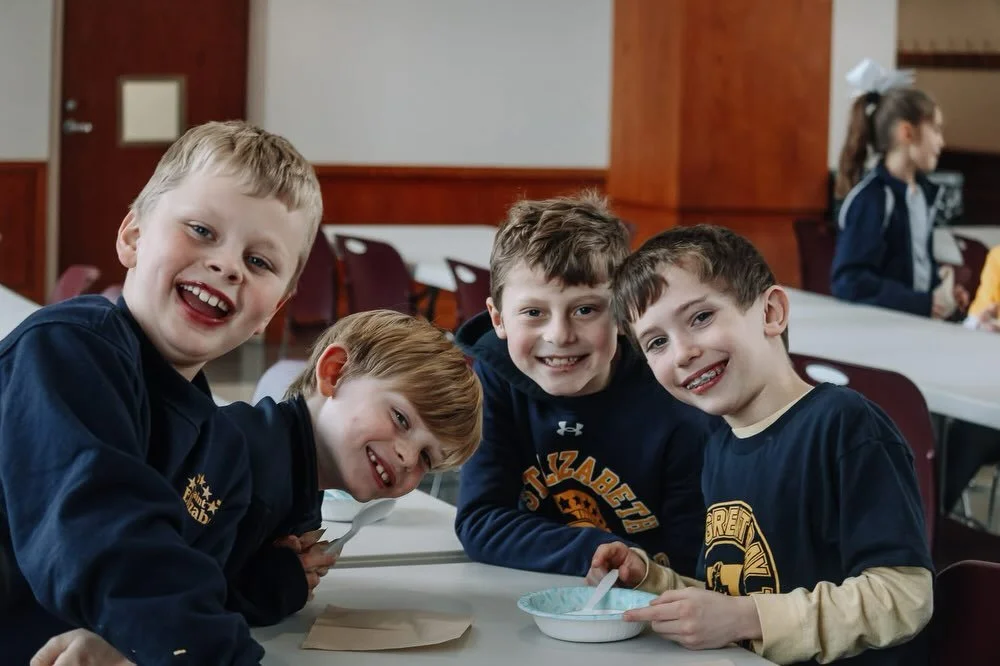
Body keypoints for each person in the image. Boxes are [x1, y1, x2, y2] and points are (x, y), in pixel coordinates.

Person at [1, 120, 323, 665]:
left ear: (273, 311)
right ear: (132, 236)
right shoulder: (67, 350)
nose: (226, 265)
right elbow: (104, 536)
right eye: (201, 230)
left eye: (260, 261)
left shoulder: (222, 450)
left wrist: (276, 580)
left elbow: (195, 577)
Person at [32, 309, 485, 666]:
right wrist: (281, 583)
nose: (407, 457)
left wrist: (274, 579)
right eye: (401, 419)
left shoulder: (294, 477)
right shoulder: (241, 454)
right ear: (335, 372)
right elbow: (161, 589)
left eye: (427, 458)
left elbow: (214, 576)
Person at [591, 225, 933, 665]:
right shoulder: (715, 444)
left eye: (700, 318)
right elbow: (732, 600)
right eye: (657, 342)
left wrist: (745, 618)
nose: (682, 353)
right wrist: (654, 582)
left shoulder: (845, 425)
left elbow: (905, 597)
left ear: (771, 312)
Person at [454, 192, 714, 578]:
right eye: (533, 313)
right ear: (498, 319)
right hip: (530, 595)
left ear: (625, 313)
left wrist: (632, 567)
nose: (559, 335)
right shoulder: (495, 379)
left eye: (586, 310)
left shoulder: (677, 399)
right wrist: (599, 552)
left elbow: (692, 557)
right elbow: (481, 521)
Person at [831, 60, 968, 318]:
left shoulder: (922, 194)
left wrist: (941, 296)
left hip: (915, 330)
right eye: (936, 130)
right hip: (884, 336)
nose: (942, 141)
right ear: (907, 132)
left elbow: (910, 273)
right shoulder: (873, 199)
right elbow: (850, 281)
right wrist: (921, 303)